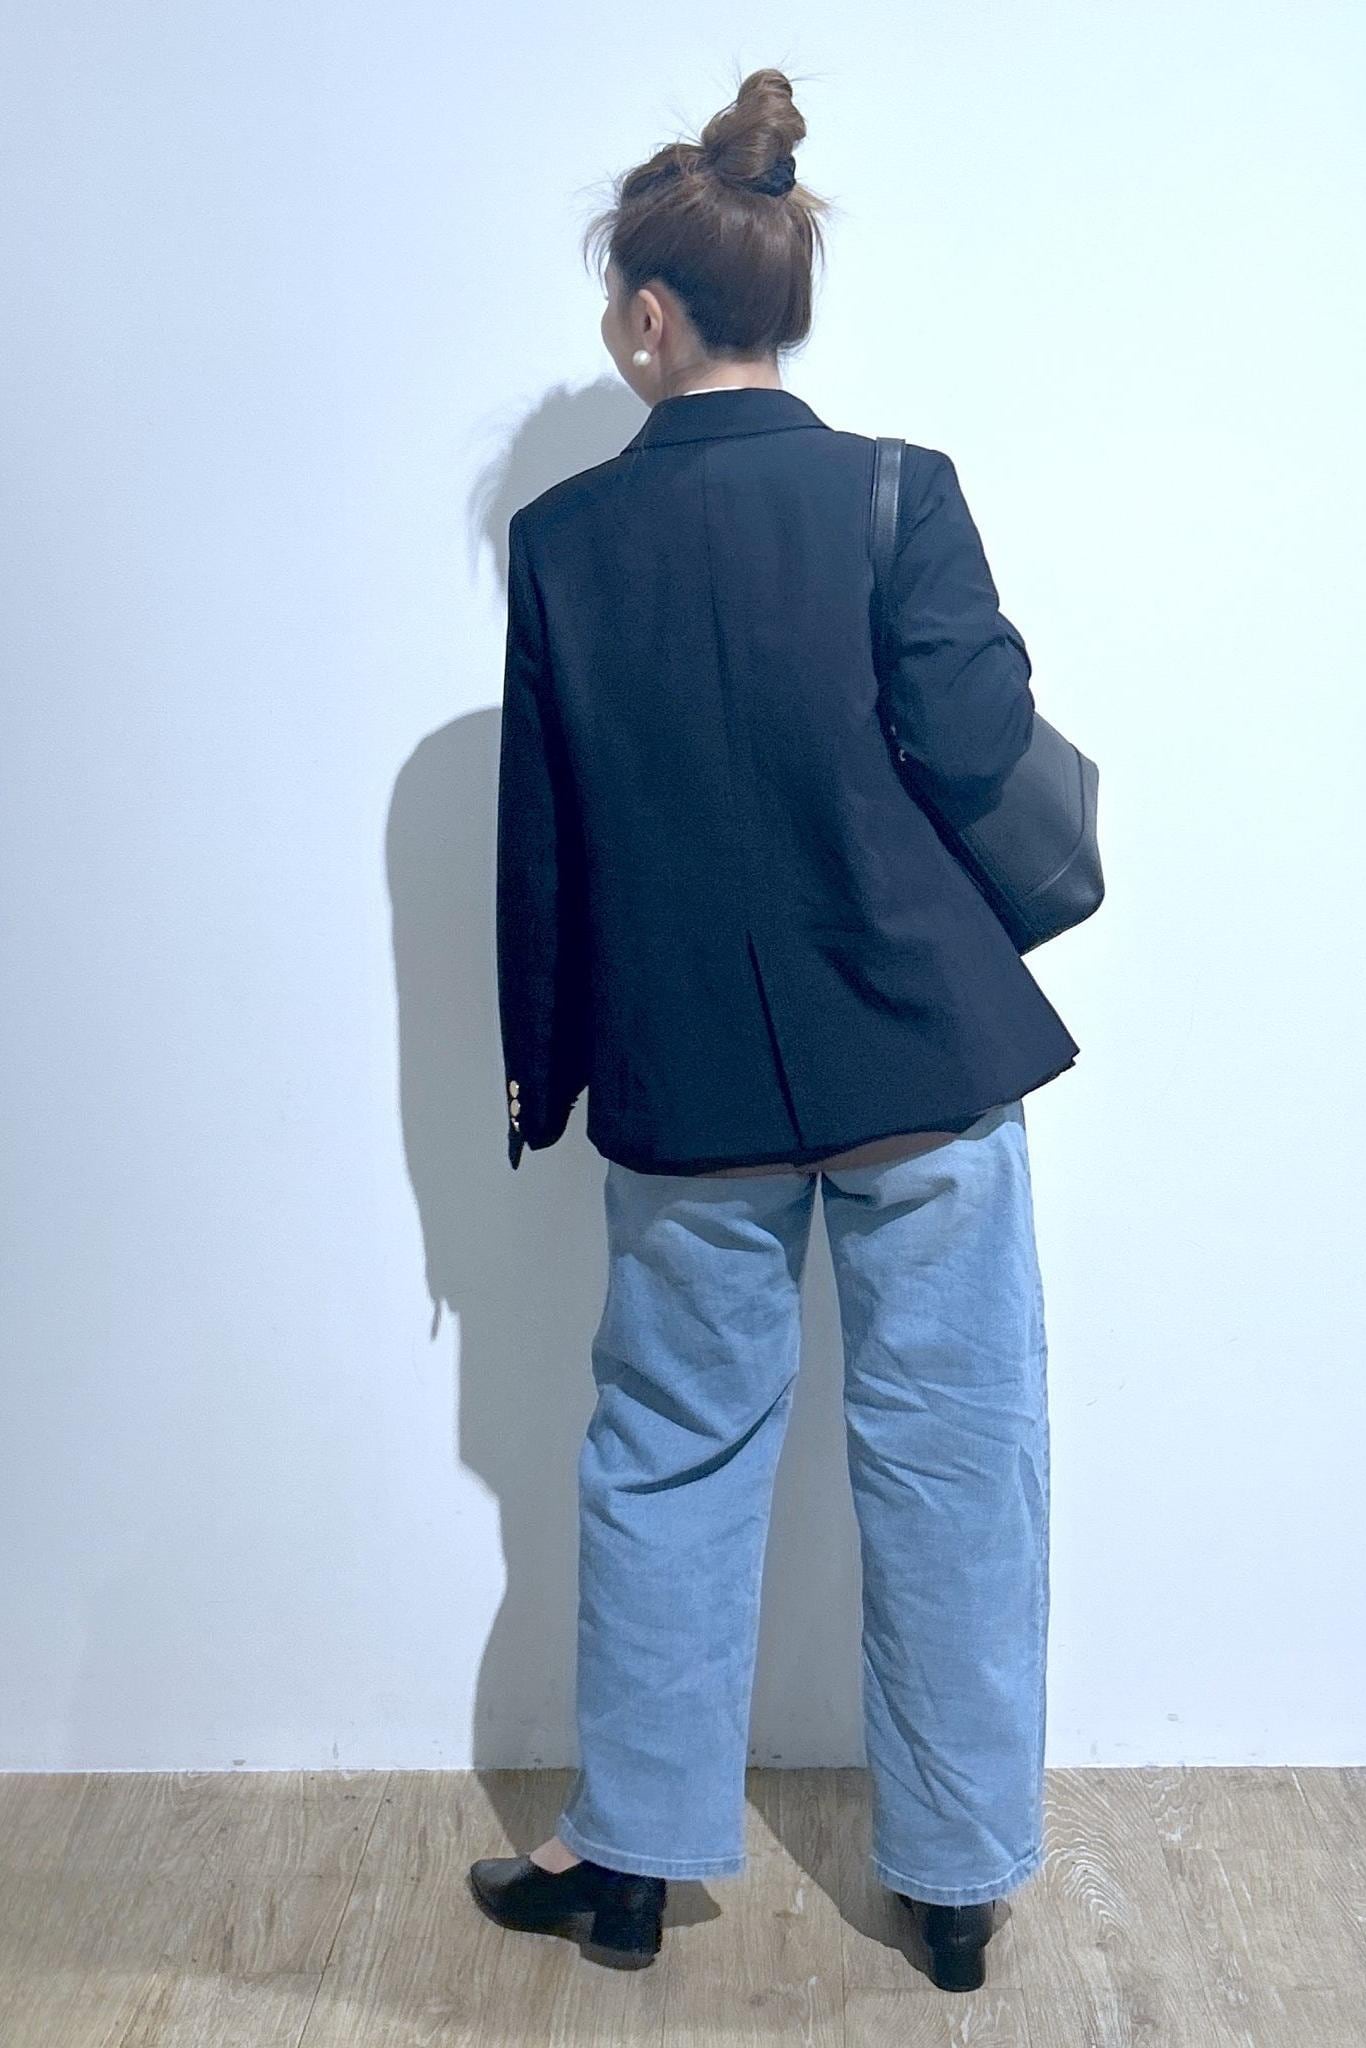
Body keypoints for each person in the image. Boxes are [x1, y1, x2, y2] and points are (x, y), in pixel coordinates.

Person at [468, 66, 1081, 1994]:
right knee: (956, 1462)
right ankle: (956, 1885)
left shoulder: (566, 542)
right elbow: (977, 748)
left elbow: (546, 838)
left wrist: (548, 1071)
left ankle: (629, 1866)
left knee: (664, 1458)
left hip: (692, 1084)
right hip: (920, 1060)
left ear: (650, 317)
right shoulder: (901, 490)